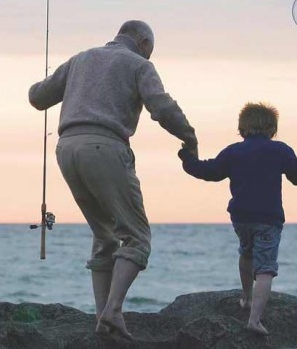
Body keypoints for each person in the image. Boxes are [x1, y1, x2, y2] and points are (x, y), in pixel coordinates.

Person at [28, 20, 198, 339]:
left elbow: (37, 97)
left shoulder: (81, 59)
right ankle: (114, 310)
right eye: (151, 49)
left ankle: (101, 318)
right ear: (143, 42)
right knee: (136, 237)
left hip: (67, 149)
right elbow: (161, 107)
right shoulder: (139, 65)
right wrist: (189, 137)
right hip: (105, 147)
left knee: (104, 235)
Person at [177, 102, 297, 336]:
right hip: (268, 218)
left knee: (247, 252)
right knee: (265, 268)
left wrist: (187, 158)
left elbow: (208, 171)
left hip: (240, 217)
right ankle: (254, 320)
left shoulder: (233, 151)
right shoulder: (279, 150)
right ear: (272, 129)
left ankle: (246, 297)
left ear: (242, 128)